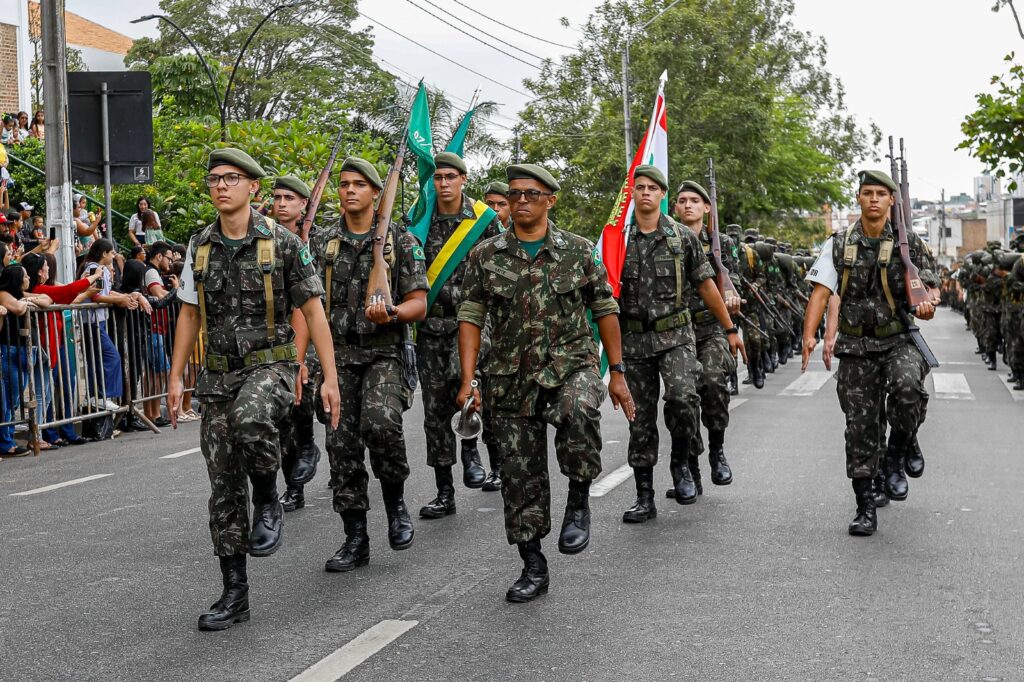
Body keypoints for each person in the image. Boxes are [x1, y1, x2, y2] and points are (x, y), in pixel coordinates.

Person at [167, 147, 340, 631]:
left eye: (231, 178)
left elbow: (313, 312)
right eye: (214, 179)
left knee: (251, 418)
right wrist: (176, 376)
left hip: (273, 366)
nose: (220, 186)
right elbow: (188, 312)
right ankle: (234, 592)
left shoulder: (283, 243)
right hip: (218, 376)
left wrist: (329, 378)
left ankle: (268, 494)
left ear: (253, 188)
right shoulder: (199, 245)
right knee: (222, 484)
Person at [457, 163, 635, 602]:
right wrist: (468, 380)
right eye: (514, 193)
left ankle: (578, 497)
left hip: (570, 365)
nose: (520, 201)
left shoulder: (576, 252)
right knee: (520, 475)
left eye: (531, 194)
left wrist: (617, 372)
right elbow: (471, 316)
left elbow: (604, 309)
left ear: (550, 200)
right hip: (509, 376)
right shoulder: (486, 255)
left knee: (579, 412)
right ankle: (533, 564)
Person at [801, 169, 938, 537]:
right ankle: (865, 505)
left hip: (898, 341)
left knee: (909, 388)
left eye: (881, 193)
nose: (874, 199)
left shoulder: (911, 245)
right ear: (858, 198)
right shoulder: (838, 243)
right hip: (856, 346)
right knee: (860, 429)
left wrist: (928, 304)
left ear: (892, 200)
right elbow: (820, 292)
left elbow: (931, 288)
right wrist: (809, 336)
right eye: (867, 193)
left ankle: (897, 453)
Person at [312, 157, 428, 572]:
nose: (349, 191)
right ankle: (355, 537)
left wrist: (394, 312)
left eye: (359, 184)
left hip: (385, 353)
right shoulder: (322, 244)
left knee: (380, 424)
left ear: (377, 193)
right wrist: (302, 361)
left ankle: (396, 504)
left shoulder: (401, 241)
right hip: (338, 355)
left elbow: (420, 302)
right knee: (341, 445)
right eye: (344, 184)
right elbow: (308, 308)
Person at [617, 166, 744, 523]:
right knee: (639, 418)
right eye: (639, 187)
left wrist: (730, 327)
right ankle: (644, 496)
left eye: (652, 188)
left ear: (661, 195)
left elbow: (707, 285)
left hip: (677, 336)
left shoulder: (680, 237)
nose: (645, 193)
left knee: (684, 397)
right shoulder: (616, 239)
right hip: (634, 340)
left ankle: (682, 462)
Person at [417, 152, 503, 518]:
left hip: (471, 322)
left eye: (450, 177)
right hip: (430, 325)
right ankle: (444, 492)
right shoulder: (420, 220)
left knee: (461, 380)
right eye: (438, 178)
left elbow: (501, 267)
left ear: (464, 179)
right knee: (434, 408)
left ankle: (471, 451)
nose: (443, 183)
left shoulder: (483, 220)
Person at [671, 180, 745, 496]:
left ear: (706, 208)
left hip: (712, 327)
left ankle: (717, 450)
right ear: (675, 207)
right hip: (677, 332)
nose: (688, 205)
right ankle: (692, 469)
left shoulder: (723, 243)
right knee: (684, 398)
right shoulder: (667, 239)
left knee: (714, 383)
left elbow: (736, 280)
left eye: (695, 201)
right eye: (682, 200)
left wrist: (730, 294)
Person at [270, 173, 321, 512]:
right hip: (277, 337)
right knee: (283, 412)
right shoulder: (266, 240)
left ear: (304, 204)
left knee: (304, 401)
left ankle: (310, 447)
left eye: (289, 198)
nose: (282, 204)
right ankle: (294, 485)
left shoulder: (317, 242)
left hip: (314, 337)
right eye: (278, 198)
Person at [22, 253, 99, 447]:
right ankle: (36, 436)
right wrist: (94, 276)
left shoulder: (41, 291)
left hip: (51, 348)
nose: (48, 269)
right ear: (40, 272)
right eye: (46, 266)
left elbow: (65, 294)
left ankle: (40, 434)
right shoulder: (39, 289)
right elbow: (68, 290)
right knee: (41, 394)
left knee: (46, 394)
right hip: (43, 348)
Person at [77, 239, 150, 416]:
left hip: (98, 321)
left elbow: (106, 293)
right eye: (111, 253)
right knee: (111, 357)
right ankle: (101, 395)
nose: (114, 256)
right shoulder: (95, 269)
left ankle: (100, 395)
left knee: (104, 358)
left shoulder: (100, 270)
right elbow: (95, 296)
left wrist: (125, 297)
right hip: (92, 322)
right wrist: (120, 300)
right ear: (104, 254)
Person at [0, 264, 53, 456]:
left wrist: (29, 301)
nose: (29, 278)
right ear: (17, 279)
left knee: (14, 399)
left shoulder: (20, 293)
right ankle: (5, 442)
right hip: (10, 350)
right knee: (8, 399)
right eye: (25, 276)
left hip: (23, 351)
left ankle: (7, 438)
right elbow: (18, 308)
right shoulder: (4, 293)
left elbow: (48, 300)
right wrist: (28, 303)